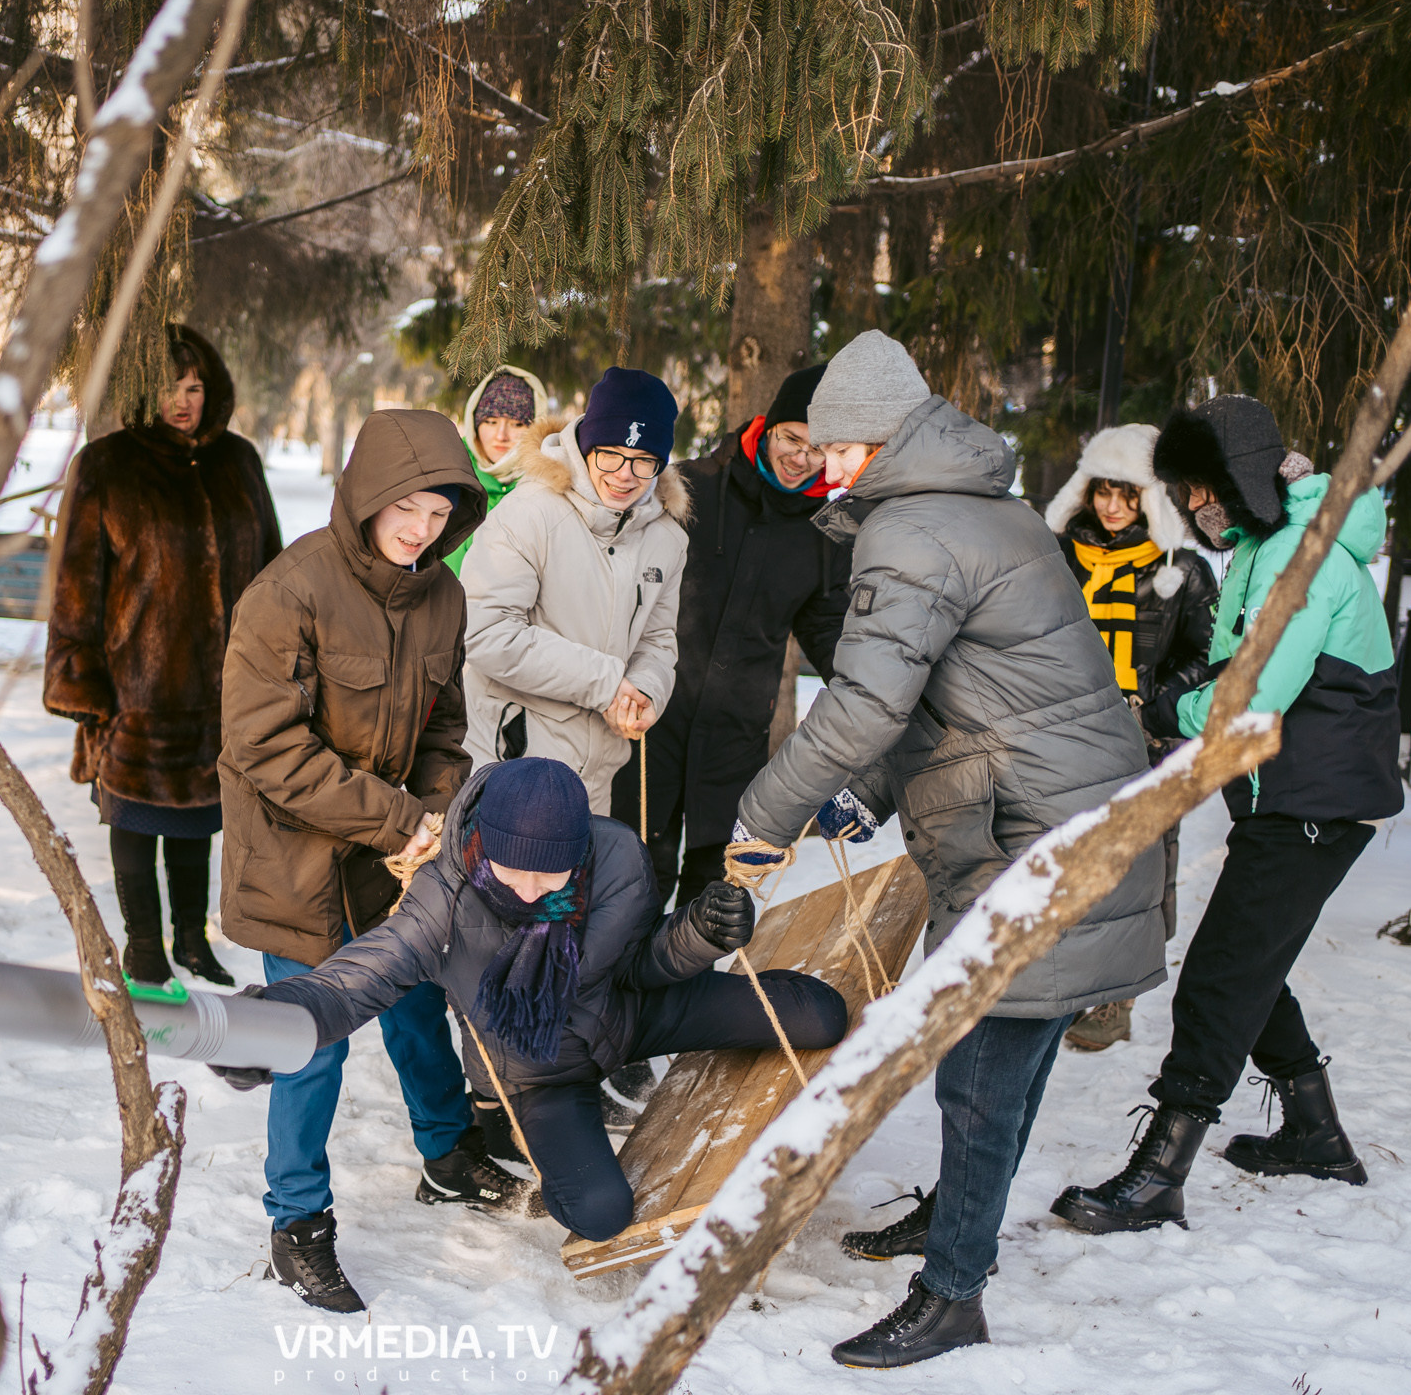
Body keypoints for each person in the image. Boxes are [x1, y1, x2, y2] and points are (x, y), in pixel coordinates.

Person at [728, 330, 1167, 1369]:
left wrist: (763, 818)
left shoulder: (914, 529)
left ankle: (953, 1291)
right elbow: (960, 697)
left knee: (979, 1076)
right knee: (1008, 1062)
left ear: (885, 439)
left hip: (1032, 833)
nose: (829, 469)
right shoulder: (987, 507)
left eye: (842, 449)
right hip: (1066, 816)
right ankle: (957, 1219)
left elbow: (866, 703)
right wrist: (865, 796)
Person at [221, 756, 846, 1309]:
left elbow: (637, 963)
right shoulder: (443, 897)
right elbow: (359, 978)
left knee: (822, 1016)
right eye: (511, 871)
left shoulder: (618, 857)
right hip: (542, 1068)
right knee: (599, 1214)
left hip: (628, 1015)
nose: (527, 893)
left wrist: (699, 934)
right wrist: (275, 1022)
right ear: (482, 844)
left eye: (550, 877)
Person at [1050, 396, 1402, 1235]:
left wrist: (1165, 710)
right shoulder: (1261, 546)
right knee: (1254, 965)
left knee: (1217, 979)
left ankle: (1159, 1174)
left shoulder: (1302, 558)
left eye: (1202, 487)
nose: (1194, 505)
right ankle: (1316, 1134)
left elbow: (1250, 693)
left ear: (1240, 480)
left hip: (1313, 804)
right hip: (1292, 797)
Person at [217, 407, 511, 1311]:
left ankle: (447, 1152)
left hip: (393, 861)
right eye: (405, 508)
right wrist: (397, 821)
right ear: (365, 497)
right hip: (297, 866)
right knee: (309, 1042)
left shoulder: (443, 596)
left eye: (439, 513)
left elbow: (445, 730)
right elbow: (266, 747)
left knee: (420, 1002)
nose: (421, 530)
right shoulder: (290, 590)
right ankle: (297, 1224)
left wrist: (434, 814)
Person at [45, 325, 282, 988]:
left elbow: (272, 569)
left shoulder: (239, 461)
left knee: (198, 820)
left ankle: (193, 941)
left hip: (224, 690)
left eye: (195, 387)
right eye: (169, 388)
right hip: (136, 690)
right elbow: (74, 586)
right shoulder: (106, 463)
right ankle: (144, 947)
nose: (183, 401)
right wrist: (84, 686)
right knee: (135, 817)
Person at [635, 363, 850, 910]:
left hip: (736, 734)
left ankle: (686, 969)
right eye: (791, 439)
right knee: (636, 872)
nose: (800, 459)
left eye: (818, 448)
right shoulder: (691, 487)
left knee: (713, 892)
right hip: (656, 717)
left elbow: (825, 627)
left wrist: (865, 686)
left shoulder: (825, 531)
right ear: (767, 426)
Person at [1044, 423, 1219, 1051]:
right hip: (1064, 739)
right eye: (1102, 491)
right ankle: (1064, 986)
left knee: (1137, 869)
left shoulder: (1183, 569)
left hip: (1145, 745)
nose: (1112, 506)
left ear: (1152, 497)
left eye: (1127, 493)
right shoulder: (1059, 556)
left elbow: (1209, 653)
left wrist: (1154, 705)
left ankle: (1115, 1000)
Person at [460, 366, 689, 816]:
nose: (625, 475)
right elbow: (485, 632)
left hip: (595, 777)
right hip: (512, 765)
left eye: (644, 460)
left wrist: (645, 690)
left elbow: (658, 640)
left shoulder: (667, 539)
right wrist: (606, 684)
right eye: (610, 455)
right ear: (585, 446)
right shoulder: (529, 512)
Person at [444, 364, 548, 573]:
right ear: (474, 424)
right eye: (491, 422)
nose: (501, 435)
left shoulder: (547, 490)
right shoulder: (447, 476)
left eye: (516, 424)